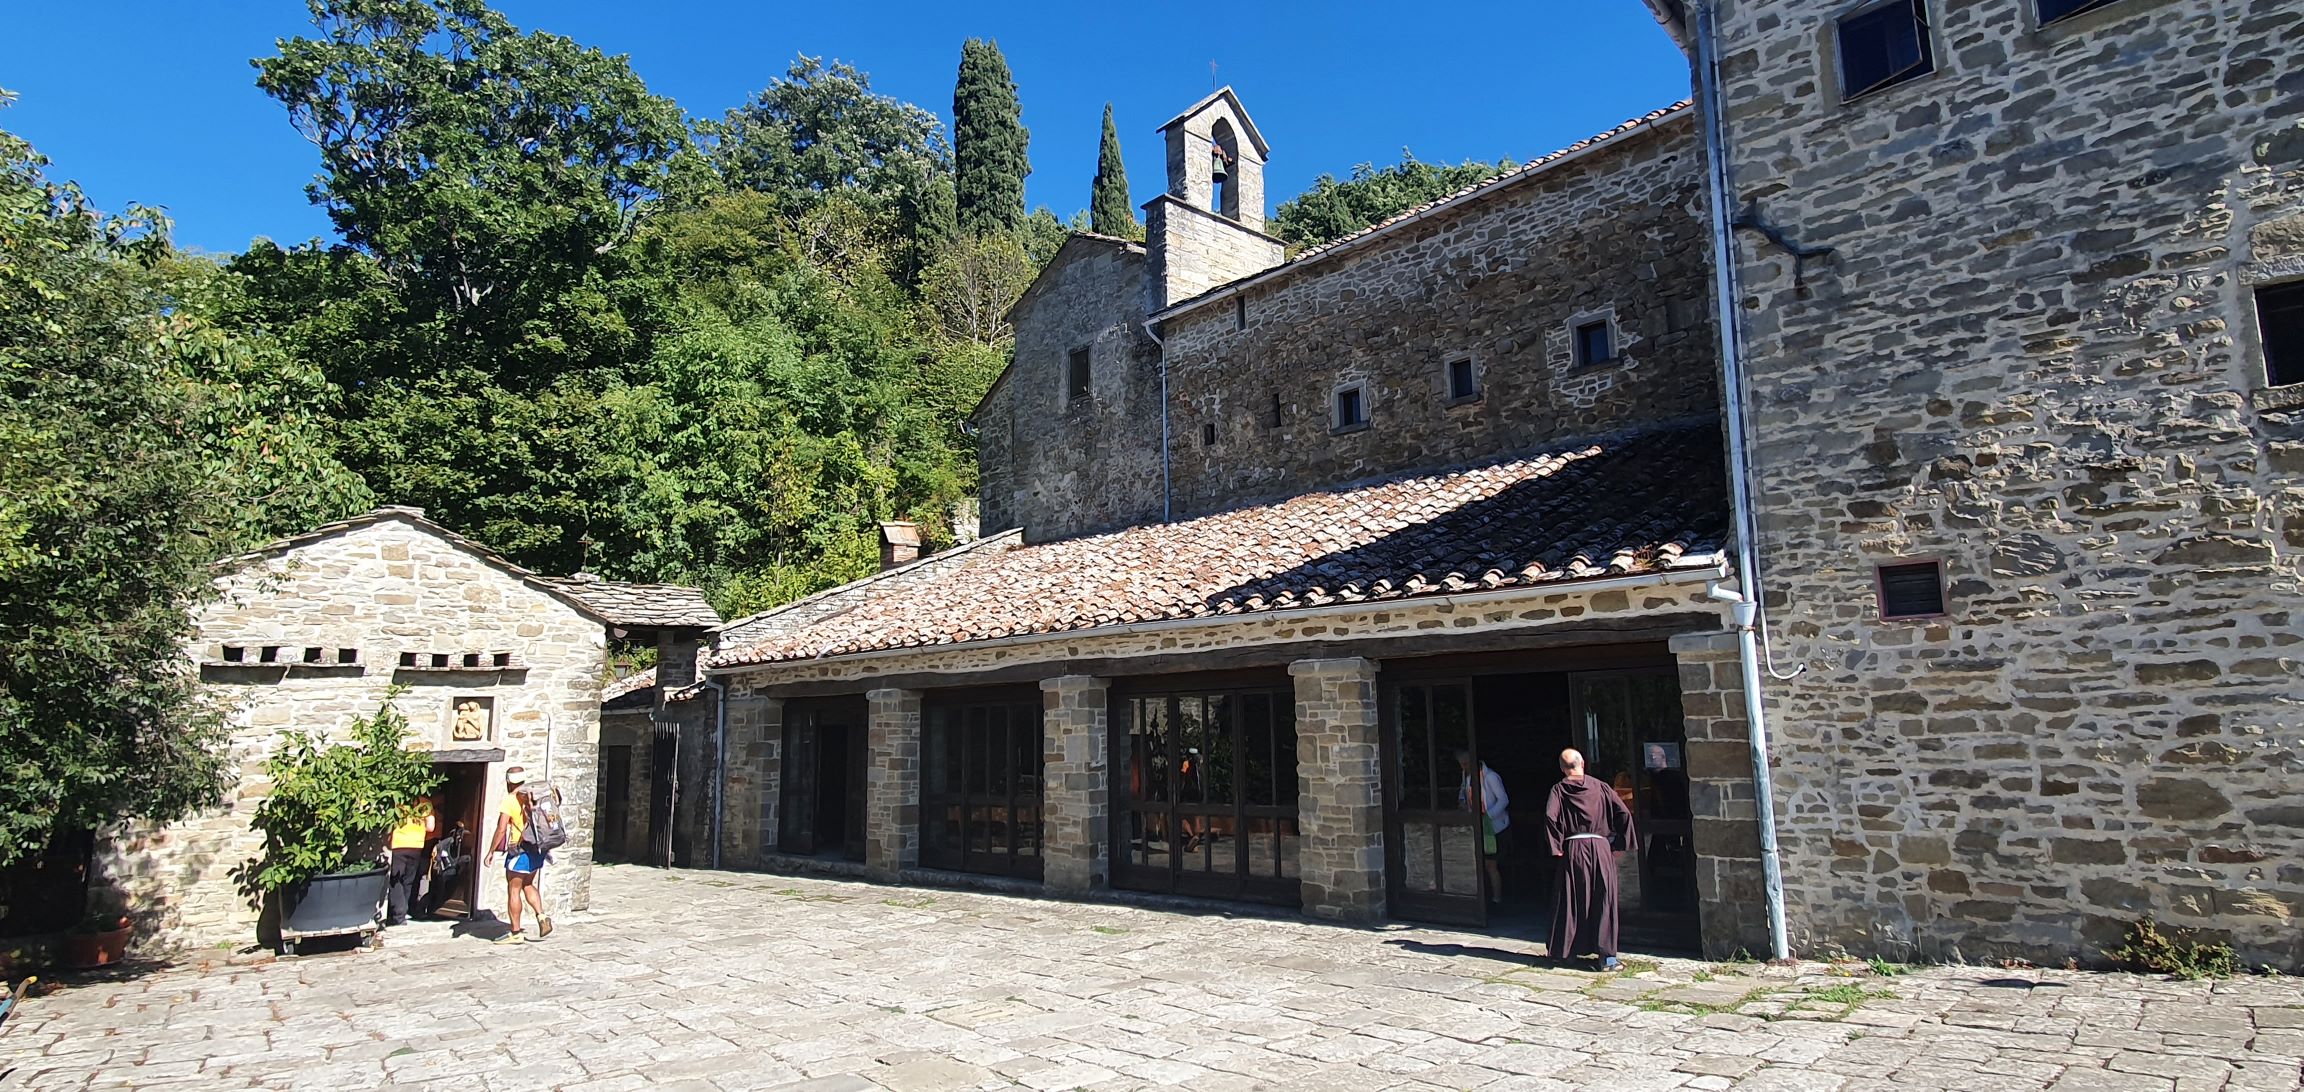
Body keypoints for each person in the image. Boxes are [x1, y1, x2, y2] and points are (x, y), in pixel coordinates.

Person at [1545, 747, 1636, 970]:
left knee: (1572, 900)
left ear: (1562, 768)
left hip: (1575, 848)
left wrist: (1556, 846)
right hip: (1601, 847)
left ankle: (1567, 953)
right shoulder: (1601, 787)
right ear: (1582, 763)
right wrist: (1620, 843)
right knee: (1604, 899)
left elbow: (1550, 816)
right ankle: (1608, 959)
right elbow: (1623, 812)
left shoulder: (1559, 790)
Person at [486, 767, 553, 944]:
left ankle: (515, 932)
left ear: (509, 782)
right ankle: (542, 916)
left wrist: (491, 851)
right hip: (537, 849)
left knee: (514, 889)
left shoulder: (510, 800)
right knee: (528, 883)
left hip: (520, 849)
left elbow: (501, 829)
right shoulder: (533, 795)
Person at [1456, 749, 1511, 903]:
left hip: (1494, 828)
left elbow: (1503, 799)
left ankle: (1496, 899)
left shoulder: (1491, 777)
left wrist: (1488, 816)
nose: (1463, 768)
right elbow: (1463, 793)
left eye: (1466, 764)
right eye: (1461, 765)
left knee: (1490, 865)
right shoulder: (1466, 776)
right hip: (1478, 826)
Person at [385, 796, 435, 926]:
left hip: (399, 844)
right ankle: (403, 912)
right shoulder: (426, 804)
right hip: (417, 845)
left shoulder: (398, 800)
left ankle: (398, 914)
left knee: (396, 880)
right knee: (409, 880)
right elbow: (431, 827)